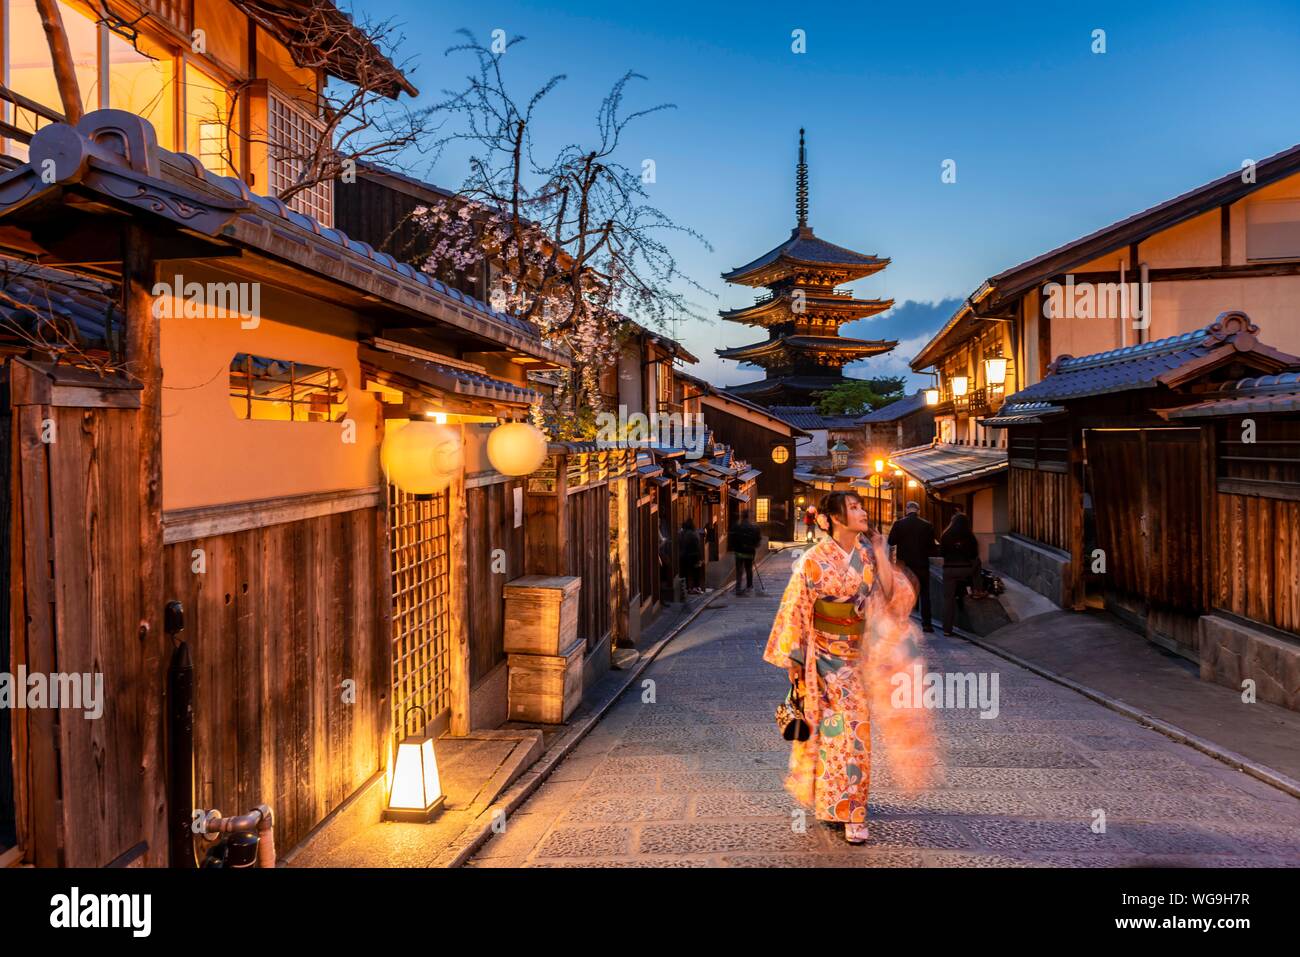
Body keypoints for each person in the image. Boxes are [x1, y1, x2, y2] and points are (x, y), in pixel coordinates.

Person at [764, 491, 935, 845]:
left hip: (856, 660)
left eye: (860, 505)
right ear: (832, 519)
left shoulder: (868, 557)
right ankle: (838, 805)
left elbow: (894, 599)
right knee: (832, 734)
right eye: (853, 507)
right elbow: (796, 608)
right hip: (822, 660)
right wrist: (795, 659)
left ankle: (851, 808)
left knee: (853, 734)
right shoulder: (813, 560)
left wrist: (883, 552)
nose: (861, 511)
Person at [887, 501, 938, 632]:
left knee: (904, 594)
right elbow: (932, 548)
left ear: (907, 510)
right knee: (925, 595)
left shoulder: (899, 524)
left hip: (905, 565)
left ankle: (902, 623)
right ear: (918, 510)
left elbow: (891, 541)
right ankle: (927, 624)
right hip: (922, 564)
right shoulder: (927, 525)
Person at [939, 511, 982, 636]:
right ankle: (977, 589)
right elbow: (974, 555)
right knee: (977, 563)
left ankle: (947, 629)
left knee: (948, 599)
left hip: (949, 570)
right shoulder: (970, 537)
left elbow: (942, 553)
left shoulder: (945, 535)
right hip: (965, 569)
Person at [729, 509, 762, 595]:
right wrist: (754, 546)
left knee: (739, 571)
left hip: (739, 553)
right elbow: (758, 539)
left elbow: (732, 539)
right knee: (749, 569)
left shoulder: (737, 527)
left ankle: (738, 587)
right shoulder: (754, 527)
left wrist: (735, 548)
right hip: (749, 552)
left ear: (742, 516)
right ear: (749, 516)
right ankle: (749, 586)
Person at [678, 518, 703, 594]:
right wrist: (700, 557)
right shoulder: (693, 534)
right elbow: (697, 546)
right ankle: (695, 587)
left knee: (685, 573)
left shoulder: (682, 533)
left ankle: (687, 588)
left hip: (684, 556)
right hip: (693, 556)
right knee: (695, 572)